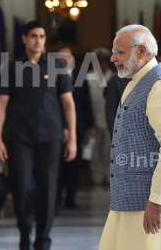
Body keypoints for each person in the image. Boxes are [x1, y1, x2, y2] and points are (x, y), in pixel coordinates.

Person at [99, 25, 161, 250]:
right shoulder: (137, 80)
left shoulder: (159, 85)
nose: (113, 58)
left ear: (141, 51)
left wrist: (155, 200)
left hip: (158, 203)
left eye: (119, 52)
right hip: (133, 199)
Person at [0, 21, 77, 250]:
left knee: (49, 189)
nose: (38, 40)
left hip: (51, 138)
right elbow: (0, 105)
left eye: (41, 36)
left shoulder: (57, 67)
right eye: (33, 36)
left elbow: (68, 104)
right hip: (18, 137)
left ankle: (43, 241)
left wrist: (73, 139)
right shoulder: (11, 68)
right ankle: (24, 233)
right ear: (24, 39)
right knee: (21, 188)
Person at [56, 46, 94, 209]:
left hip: (77, 128)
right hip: (55, 129)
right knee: (56, 166)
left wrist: (90, 126)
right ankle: (55, 199)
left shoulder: (80, 76)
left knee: (74, 166)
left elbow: (87, 102)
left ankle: (70, 198)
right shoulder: (49, 75)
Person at [86, 47, 114, 185]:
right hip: (94, 120)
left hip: (111, 120)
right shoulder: (87, 77)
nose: (101, 64)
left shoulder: (115, 76)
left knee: (109, 150)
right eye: (98, 61)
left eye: (104, 61)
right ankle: (96, 176)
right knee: (95, 151)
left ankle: (109, 177)